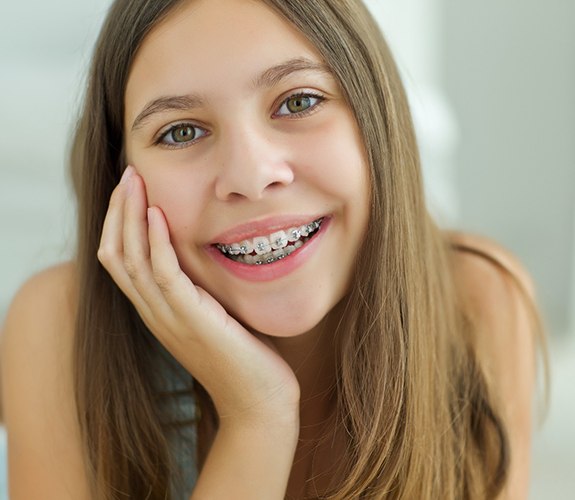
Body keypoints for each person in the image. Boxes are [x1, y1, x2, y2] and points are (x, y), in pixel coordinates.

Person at [0, 0, 545, 498]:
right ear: (119, 180)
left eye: (299, 101)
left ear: (375, 115)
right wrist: (256, 417)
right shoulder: (58, 329)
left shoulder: (478, 301)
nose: (250, 176)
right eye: (181, 133)